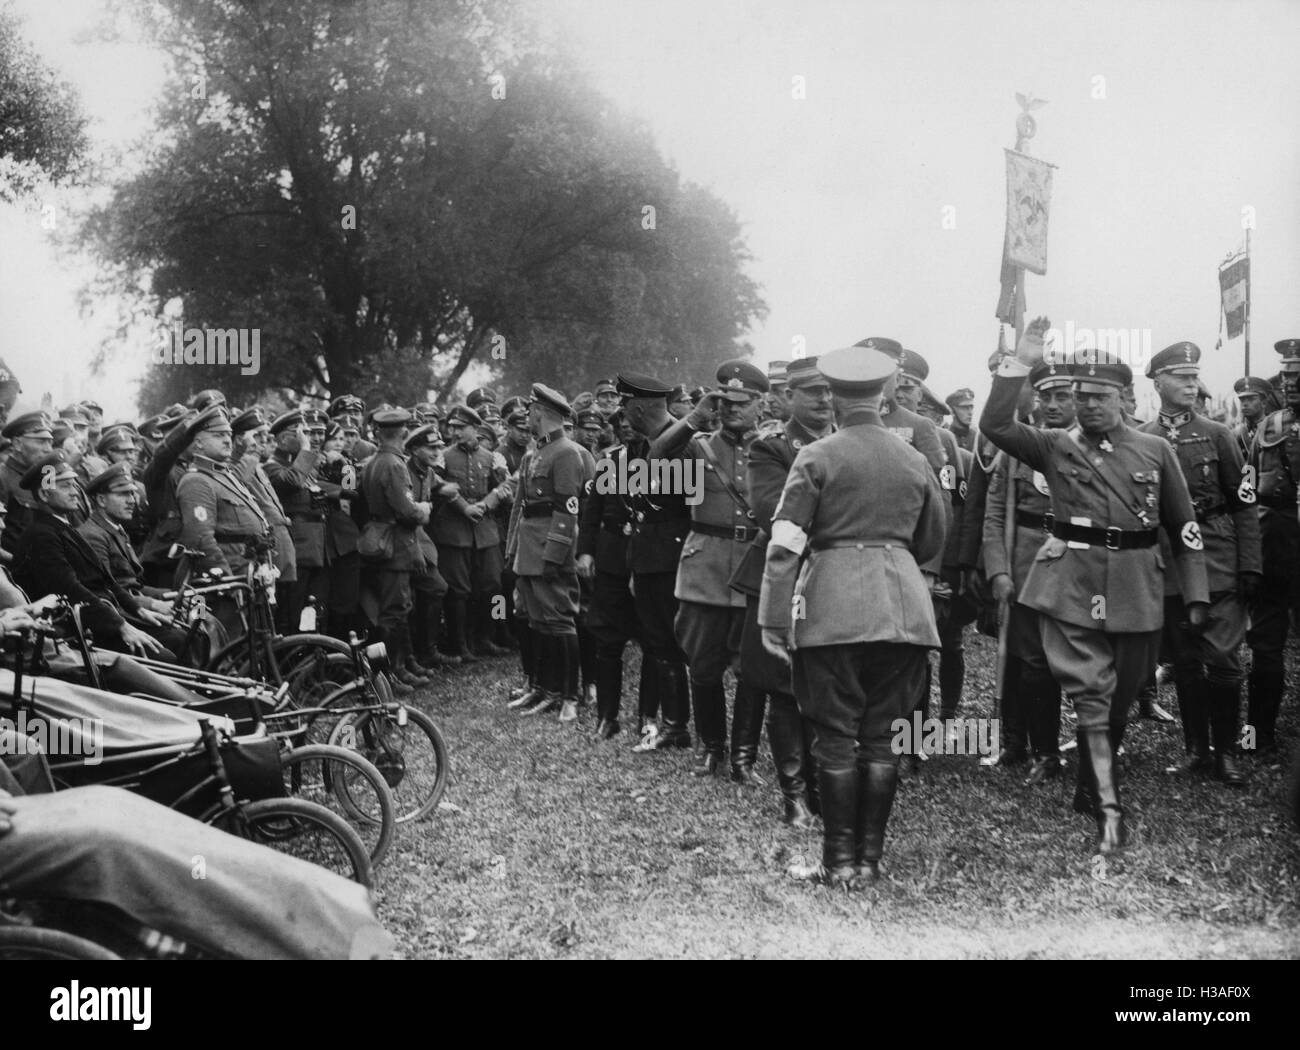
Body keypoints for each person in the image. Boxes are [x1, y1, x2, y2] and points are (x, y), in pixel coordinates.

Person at [980, 320, 1209, 854]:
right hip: (1070, 585)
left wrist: (1195, 594)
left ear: (1125, 398)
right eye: (1081, 397)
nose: (1088, 407)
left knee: (1120, 696)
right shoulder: (1054, 446)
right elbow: (995, 424)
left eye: (1101, 397)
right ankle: (1110, 810)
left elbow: (1185, 527)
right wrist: (1019, 360)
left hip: (1137, 588)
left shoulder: (1155, 451)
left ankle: (1090, 779)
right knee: (1091, 694)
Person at [760, 344, 946, 886]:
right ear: (885, 394)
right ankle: (869, 863)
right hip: (905, 612)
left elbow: (786, 543)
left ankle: (838, 863)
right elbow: (933, 537)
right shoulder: (914, 458)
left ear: (834, 398)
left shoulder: (816, 457)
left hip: (832, 612)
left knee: (836, 738)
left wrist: (773, 618)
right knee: (884, 738)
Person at [1137, 342, 1259, 787]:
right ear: (1158, 383)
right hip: (1168, 561)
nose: (1192, 384)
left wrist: (1250, 564)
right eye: (1181, 377)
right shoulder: (1142, 436)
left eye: (1195, 376)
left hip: (1217, 557)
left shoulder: (1218, 434)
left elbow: (1244, 504)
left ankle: (1227, 752)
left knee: (1224, 659)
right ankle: (1196, 750)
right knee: (1186, 660)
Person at [649, 359, 769, 781]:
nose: (732, 408)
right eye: (725, 400)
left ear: (760, 404)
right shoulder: (697, 446)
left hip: (755, 568)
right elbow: (656, 457)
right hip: (704, 570)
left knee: (753, 668)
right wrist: (695, 417)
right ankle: (711, 747)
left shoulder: (771, 448)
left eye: (743, 401)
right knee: (702, 664)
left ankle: (743, 757)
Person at [733, 356, 833, 826]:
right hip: (784, 573)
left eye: (828, 390)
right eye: (812, 391)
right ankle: (794, 794)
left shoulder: (843, 441)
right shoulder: (770, 448)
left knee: (825, 684)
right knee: (784, 687)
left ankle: (820, 788)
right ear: (786, 397)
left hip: (832, 575)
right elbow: (771, 511)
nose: (824, 399)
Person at [982, 360, 1075, 781]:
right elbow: (995, 513)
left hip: (1073, 563)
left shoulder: (1089, 446)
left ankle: (1048, 751)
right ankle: (1017, 744)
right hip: (1023, 562)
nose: (1053, 405)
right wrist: (998, 570)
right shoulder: (1018, 448)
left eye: (1063, 396)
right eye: (1046, 397)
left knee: (1049, 663)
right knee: (1020, 658)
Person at [10, 453, 168, 659]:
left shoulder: (62, 527)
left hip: (102, 616)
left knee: (184, 633)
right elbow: (68, 590)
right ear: (44, 493)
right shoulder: (41, 535)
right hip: (75, 631)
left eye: (75, 484)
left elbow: (106, 581)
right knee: (169, 650)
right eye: (66, 486)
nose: (75, 492)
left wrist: (138, 609)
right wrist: (121, 626)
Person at [617, 373, 693, 752]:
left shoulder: (683, 446)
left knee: (669, 642)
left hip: (672, 558)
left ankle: (677, 724)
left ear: (641, 407)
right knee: (658, 642)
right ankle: (673, 724)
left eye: (626, 406)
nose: (623, 415)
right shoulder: (644, 446)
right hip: (650, 557)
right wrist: (635, 565)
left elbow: (685, 510)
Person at [504, 385, 589, 721]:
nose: (527, 415)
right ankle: (546, 688)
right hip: (528, 548)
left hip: (550, 548)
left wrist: (555, 554)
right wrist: (512, 550)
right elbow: (519, 508)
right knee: (537, 620)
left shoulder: (567, 452)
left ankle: (569, 695)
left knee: (559, 621)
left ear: (541, 412)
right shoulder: (532, 455)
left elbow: (568, 510)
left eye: (531, 409)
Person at [1244, 337, 1300, 759]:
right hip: (1274, 545)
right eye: (1286, 374)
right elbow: (1246, 486)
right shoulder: (1269, 426)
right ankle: (1256, 736)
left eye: (1298, 374)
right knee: (1264, 644)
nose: (1291, 381)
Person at [358, 407, 432, 695]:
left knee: (396, 609)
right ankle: (385, 676)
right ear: (402, 432)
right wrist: (423, 509)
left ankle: (397, 668)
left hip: (384, 540)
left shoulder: (376, 461)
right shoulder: (394, 465)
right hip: (396, 544)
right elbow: (406, 511)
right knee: (393, 613)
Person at [431, 404, 511, 661]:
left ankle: (489, 635)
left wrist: (487, 503)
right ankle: (460, 642)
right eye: (451, 427)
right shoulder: (441, 456)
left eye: (460, 428)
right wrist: (464, 507)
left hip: (486, 531)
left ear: (475, 429)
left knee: (494, 586)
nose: (453, 432)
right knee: (458, 590)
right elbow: (436, 486)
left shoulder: (492, 458)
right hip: (454, 531)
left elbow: (505, 488)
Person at [0, 412, 56, 552]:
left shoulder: (46, 478)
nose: (48, 449)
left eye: (50, 442)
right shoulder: (3, 477)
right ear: (18, 444)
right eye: (41, 441)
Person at [1232, 376, 1276, 462]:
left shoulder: (1274, 429)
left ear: (1263, 403)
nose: (1245, 404)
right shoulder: (1235, 434)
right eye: (1242, 399)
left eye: (1251, 399)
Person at [946, 388, 977, 452]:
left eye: (971, 407)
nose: (970, 412)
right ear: (952, 411)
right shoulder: (946, 438)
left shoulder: (977, 437)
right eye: (964, 408)